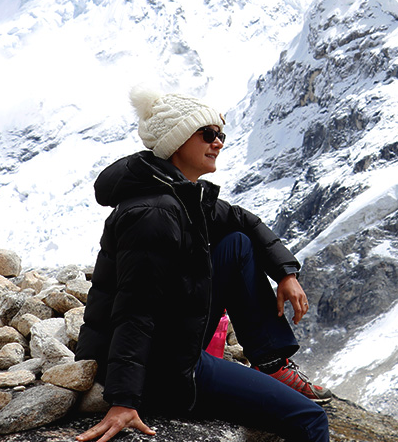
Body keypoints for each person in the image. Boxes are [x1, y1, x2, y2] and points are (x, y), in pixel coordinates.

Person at [75, 87, 332, 442]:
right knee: (311, 419)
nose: (219, 143)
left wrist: (285, 273)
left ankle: (271, 363)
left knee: (237, 244)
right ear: (177, 141)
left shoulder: (179, 193)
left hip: (168, 344)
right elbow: (135, 309)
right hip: (163, 371)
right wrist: (124, 399)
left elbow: (242, 221)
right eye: (208, 134)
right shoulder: (155, 213)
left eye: (220, 134)